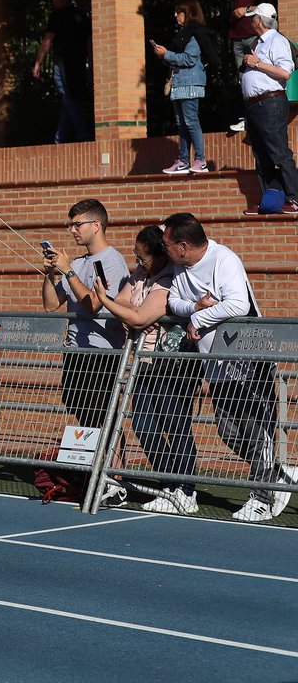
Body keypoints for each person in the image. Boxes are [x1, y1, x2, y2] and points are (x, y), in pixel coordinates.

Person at [163, 212, 297, 522]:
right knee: (228, 429)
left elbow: (238, 304)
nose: (163, 247)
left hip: (250, 360)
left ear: (182, 246)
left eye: (167, 242)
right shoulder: (180, 269)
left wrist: (199, 318)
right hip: (217, 364)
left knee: (256, 428)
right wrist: (194, 307)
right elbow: (174, 302)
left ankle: (262, 498)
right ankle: (277, 473)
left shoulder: (224, 260)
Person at [93, 225, 199, 514]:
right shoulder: (141, 275)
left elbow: (135, 315)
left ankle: (186, 490)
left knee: (174, 423)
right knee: (143, 424)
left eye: (143, 258)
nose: (138, 263)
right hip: (142, 361)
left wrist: (119, 308)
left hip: (169, 364)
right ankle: (168, 484)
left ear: (160, 255)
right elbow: (126, 307)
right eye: (136, 257)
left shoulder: (168, 280)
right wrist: (129, 315)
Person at [41, 198, 131, 503]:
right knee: (82, 408)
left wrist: (68, 273)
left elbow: (95, 305)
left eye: (77, 224)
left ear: (97, 225)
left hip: (102, 352)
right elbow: (51, 304)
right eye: (70, 224)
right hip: (75, 351)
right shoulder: (76, 263)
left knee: (105, 413)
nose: (72, 230)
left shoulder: (111, 261)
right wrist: (52, 273)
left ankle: (115, 476)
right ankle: (99, 472)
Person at [236, 3, 297, 215]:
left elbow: (285, 73)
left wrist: (257, 63)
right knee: (261, 156)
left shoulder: (276, 40)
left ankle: (294, 197)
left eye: (253, 18)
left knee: (278, 152)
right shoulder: (259, 42)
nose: (251, 21)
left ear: (259, 21)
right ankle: (268, 200)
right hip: (255, 105)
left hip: (270, 103)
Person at [156, 0, 219, 175]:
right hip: (180, 83)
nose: (176, 15)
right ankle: (183, 160)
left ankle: (200, 160)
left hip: (190, 82)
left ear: (189, 12)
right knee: (182, 123)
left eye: (180, 12)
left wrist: (166, 54)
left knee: (191, 121)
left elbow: (189, 59)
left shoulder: (194, 34)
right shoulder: (184, 34)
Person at [220, 0, 277, 131]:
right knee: (243, 78)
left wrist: (248, 10)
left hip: (255, 36)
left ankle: (258, 117)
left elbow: (270, 7)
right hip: (237, 38)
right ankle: (247, 117)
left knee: (258, 74)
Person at [32, 0, 93, 144]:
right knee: (70, 97)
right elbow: (89, 44)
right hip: (80, 62)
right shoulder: (82, 15)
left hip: (63, 62)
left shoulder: (57, 15)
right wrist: (90, 66)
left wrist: (38, 63)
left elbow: (48, 40)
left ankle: (83, 135)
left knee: (68, 96)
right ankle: (60, 139)